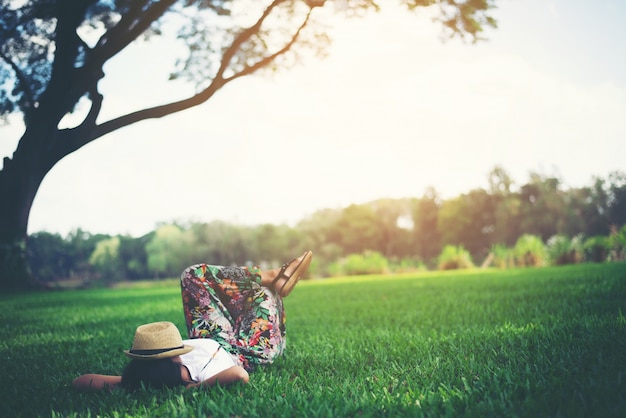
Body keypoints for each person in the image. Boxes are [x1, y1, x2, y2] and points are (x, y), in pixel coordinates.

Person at [72, 250, 313, 391]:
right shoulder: (191, 378)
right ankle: (272, 285)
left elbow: (80, 382)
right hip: (247, 351)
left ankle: (271, 276)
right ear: (167, 361)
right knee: (265, 296)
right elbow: (240, 375)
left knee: (192, 275)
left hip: (212, 334)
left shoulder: (140, 377)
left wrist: (127, 382)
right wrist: (195, 389)